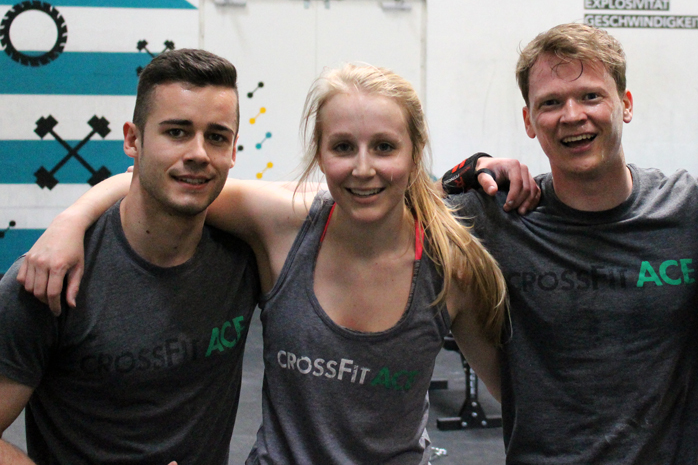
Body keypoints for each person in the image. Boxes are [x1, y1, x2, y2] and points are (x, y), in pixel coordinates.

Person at [18, 64, 513, 465]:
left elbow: (521, 402)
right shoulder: (280, 223)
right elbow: (151, 180)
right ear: (320, 154)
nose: (363, 168)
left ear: (414, 152)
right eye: (343, 147)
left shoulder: (451, 266)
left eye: (384, 147)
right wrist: (70, 220)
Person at [444, 23, 698, 464]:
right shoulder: (503, 213)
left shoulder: (686, 208)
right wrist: (465, 170)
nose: (572, 115)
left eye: (590, 96)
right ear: (528, 121)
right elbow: (386, 208)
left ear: (626, 104)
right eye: (550, 102)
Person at [0, 48, 260, 465]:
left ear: (232, 150)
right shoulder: (50, 279)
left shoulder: (246, 252)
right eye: (176, 132)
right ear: (133, 140)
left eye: (216, 137)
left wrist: (75, 212)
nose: (198, 153)